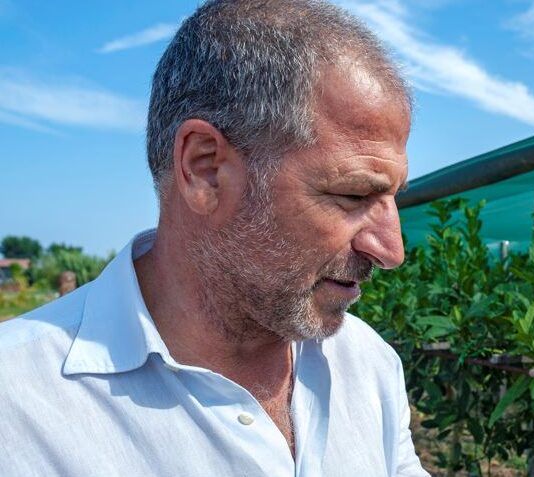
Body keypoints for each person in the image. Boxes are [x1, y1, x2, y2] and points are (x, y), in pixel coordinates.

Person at [0, 1, 429, 475]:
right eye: (352, 195)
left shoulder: (369, 364)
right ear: (204, 169)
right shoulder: (16, 409)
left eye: (392, 198)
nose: (391, 251)